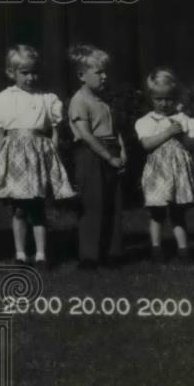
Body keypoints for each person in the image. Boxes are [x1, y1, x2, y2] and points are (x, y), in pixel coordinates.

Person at [0, 44, 75, 269]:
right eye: (24, 73)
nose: (30, 77)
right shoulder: (3, 99)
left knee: (37, 208)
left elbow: (54, 129)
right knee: (18, 209)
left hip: (37, 156)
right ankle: (19, 253)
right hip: (15, 157)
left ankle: (41, 254)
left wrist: (52, 152)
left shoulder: (46, 99)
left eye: (34, 72)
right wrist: (0, 160)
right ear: (11, 73)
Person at [68, 44, 127, 269]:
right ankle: (90, 256)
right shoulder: (79, 101)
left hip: (110, 150)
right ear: (82, 75)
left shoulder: (104, 101)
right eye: (99, 72)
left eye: (105, 72)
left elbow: (115, 130)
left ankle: (113, 252)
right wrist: (108, 157)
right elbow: (85, 135)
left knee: (113, 203)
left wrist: (121, 152)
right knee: (93, 204)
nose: (105, 76)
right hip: (91, 155)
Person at [134, 67, 194, 263]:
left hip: (178, 172)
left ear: (175, 97)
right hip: (158, 172)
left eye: (168, 98)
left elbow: (192, 145)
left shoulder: (184, 120)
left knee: (178, 214)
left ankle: (183, 250)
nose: (164, 103)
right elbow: (146, 144)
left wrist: (183, 136)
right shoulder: (145, 121)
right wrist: (168, 132)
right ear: (151, 98)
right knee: (157, 213)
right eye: (158, 99)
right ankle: (156, 249)